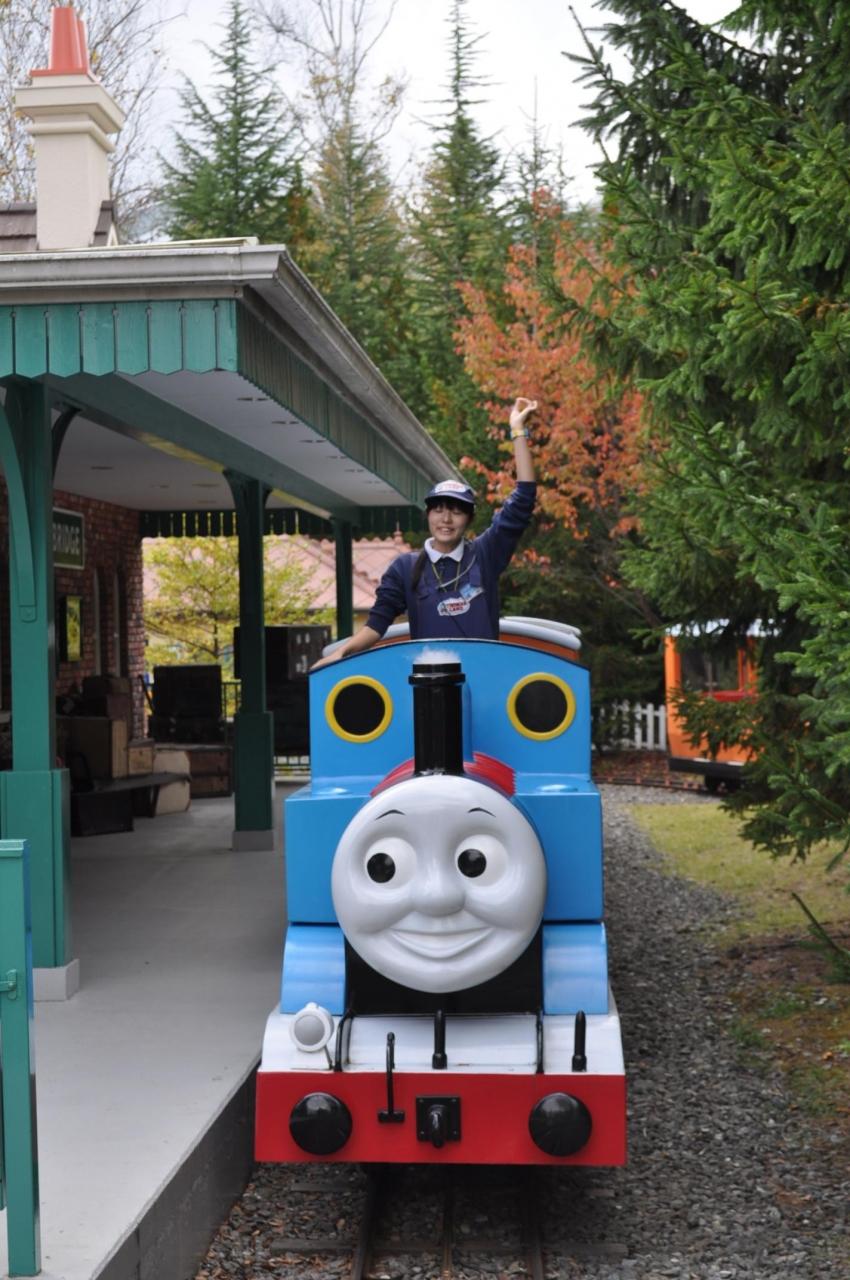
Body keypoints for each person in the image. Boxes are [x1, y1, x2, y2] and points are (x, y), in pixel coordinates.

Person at [312, 397, 537, 668]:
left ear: (468, 519)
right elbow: (376, 624)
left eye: (456, 511)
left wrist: (518, 431)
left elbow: (523, 499)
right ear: (428, 515)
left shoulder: (485, 554)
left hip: (485, 676)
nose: (446, 519)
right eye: (438, 510)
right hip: (430, 683)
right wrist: (340, 653)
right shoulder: (404, 568)